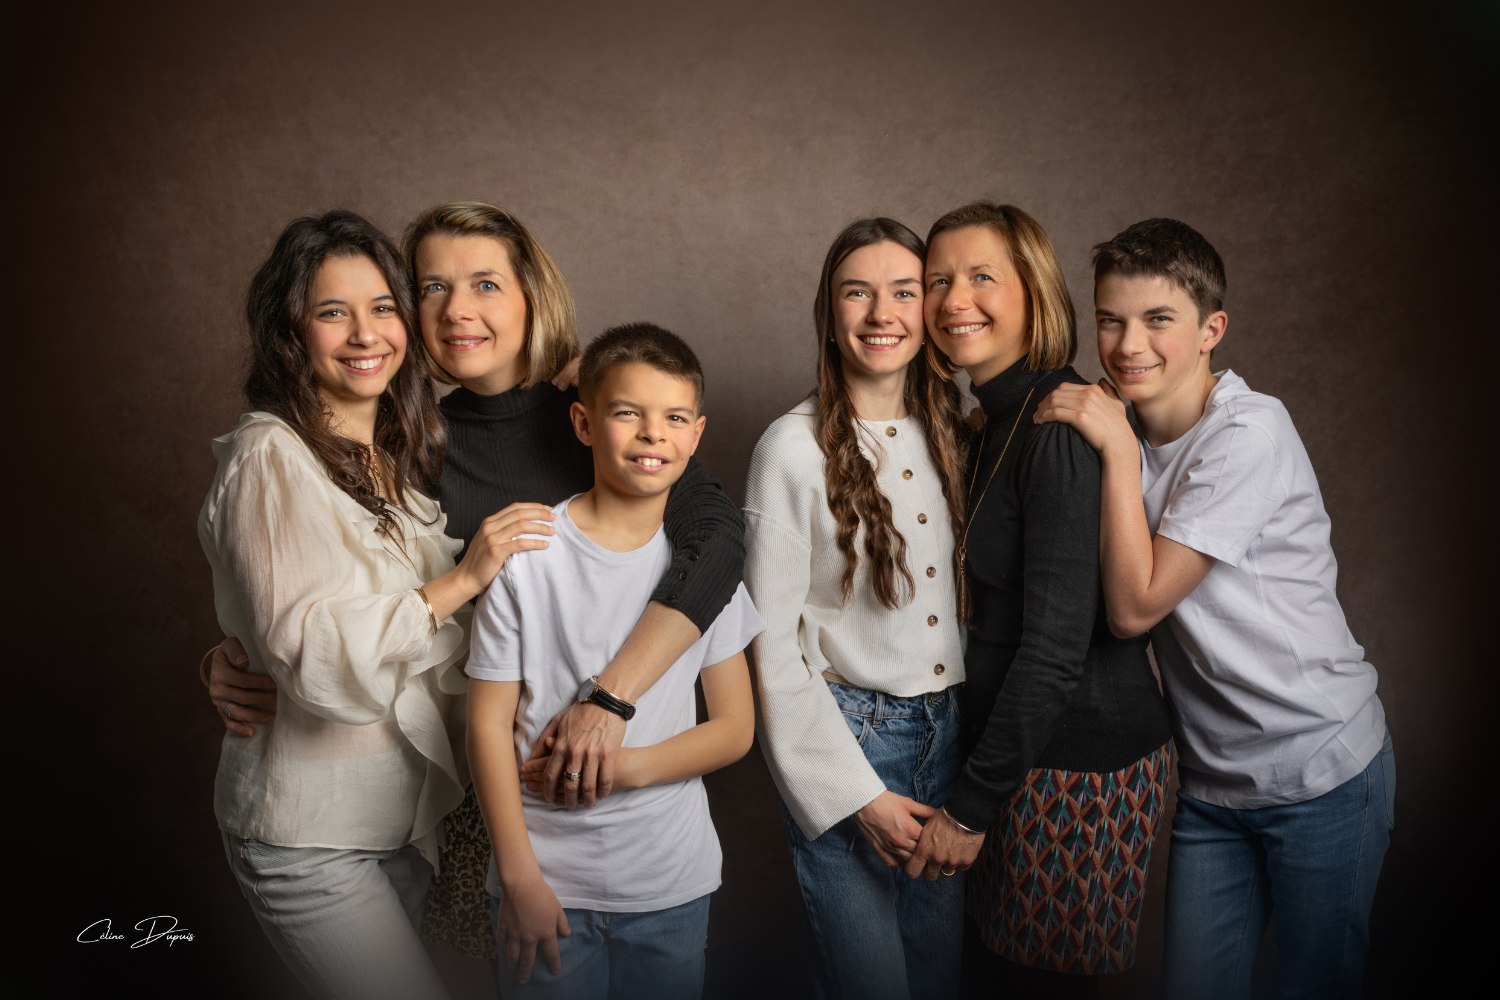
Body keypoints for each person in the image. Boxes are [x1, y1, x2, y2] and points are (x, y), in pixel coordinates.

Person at [203, 202, 746, 984]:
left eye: (486, 284)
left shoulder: (607, 415)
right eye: (431, 287)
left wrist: (610, 703)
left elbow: (719, 543)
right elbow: (328, 576)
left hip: (614, 789)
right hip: (470, 781)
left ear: (533, 294)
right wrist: (233, 649)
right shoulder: (408, 439)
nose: (459, 310)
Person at [1032, 217, 1393, 1000]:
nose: (1130, 345)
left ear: (1210, 330)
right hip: (1212, 786)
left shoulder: (1250, 432)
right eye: (1112, 319)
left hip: (1321, 767)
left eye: (1159, 319)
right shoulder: (1116, 424)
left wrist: (1119, 450)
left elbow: (1134, 609)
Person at [198, 209, 522, 1000]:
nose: (364, 333)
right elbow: (310, 654)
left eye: (381, 307)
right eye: (331, 312)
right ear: (290, 331)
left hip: (396, 825)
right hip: (309, 832)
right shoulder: (270, 454)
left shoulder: (392, 461)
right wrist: (461, 579)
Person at [904, 201, 1174, 997]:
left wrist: (968, 809)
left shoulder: (1056, 425)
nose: (956, 300)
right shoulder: (995, 422)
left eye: (983, 277)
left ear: (1036, 295)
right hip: (1019, 758)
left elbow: (1056, 648)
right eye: (937, 280)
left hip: (1079, 766)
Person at [466, 322, 762, 999]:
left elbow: (735, 729)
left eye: (674, 418)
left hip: (669, 883)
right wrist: (517, 878)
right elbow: (486, 726)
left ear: (696, 434)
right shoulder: (529, 558)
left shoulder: (702, 573)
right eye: (628, 412)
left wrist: (622, 768)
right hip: (544, 880)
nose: (653, 433)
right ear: (584, 422)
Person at [744, 218, 970, 1000]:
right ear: (829, 312)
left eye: (904, 291)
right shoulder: (790, 448)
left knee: (937, 977)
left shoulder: (957, 435)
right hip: (850, 742)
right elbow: (769, 647)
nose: (882, 314)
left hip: (952, 740)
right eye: (858, 292)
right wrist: (857, 795)